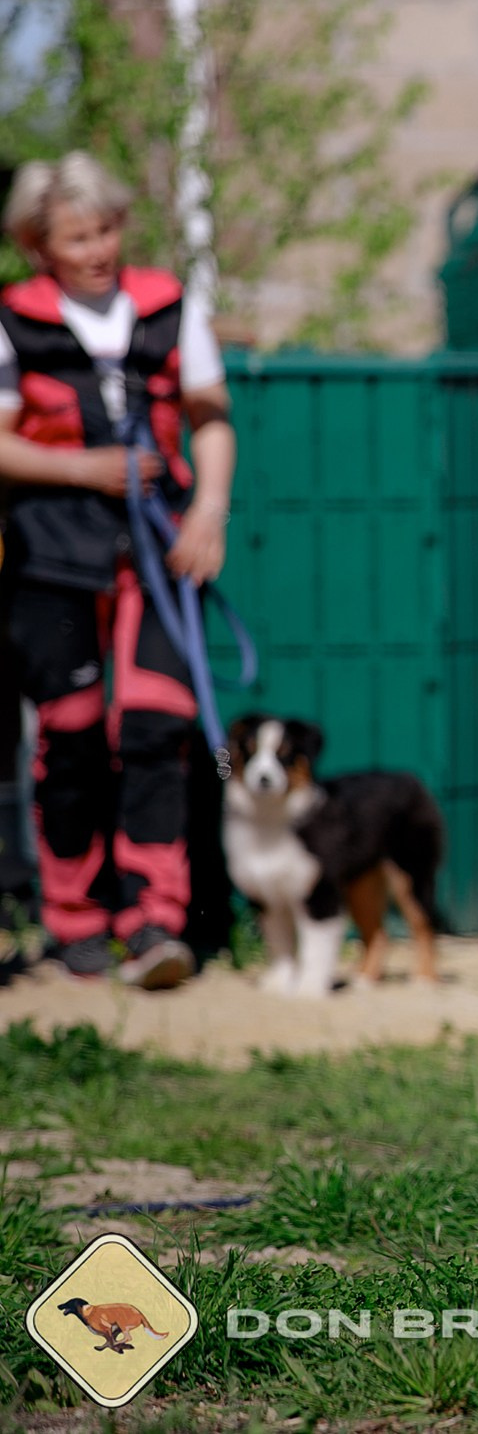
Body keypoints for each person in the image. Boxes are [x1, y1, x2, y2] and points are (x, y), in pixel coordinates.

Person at [0, 154, 234, 989]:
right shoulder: (12, 322)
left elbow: (209, 416)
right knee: (66, 735)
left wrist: (208, 510)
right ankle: (75, 919)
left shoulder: (171, 305)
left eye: (107, 230)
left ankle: (156, 918)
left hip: (159, 547)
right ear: (39, 246)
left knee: (154, 727)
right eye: (77, 237)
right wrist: (85, 471)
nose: (99, 249)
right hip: (51, 552)